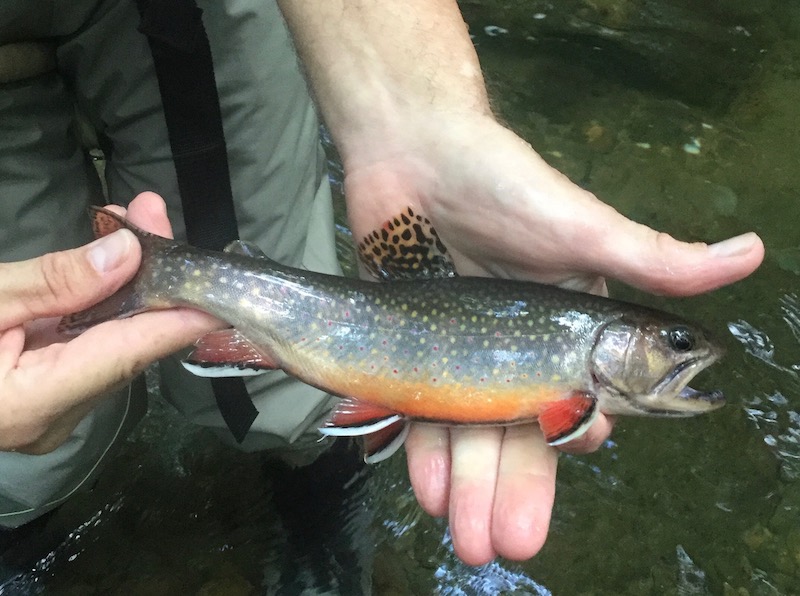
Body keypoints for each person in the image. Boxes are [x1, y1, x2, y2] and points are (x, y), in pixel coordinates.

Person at [0, 0, 763, 571]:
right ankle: (24, 524)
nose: (682, 355)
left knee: (275, 401)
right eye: (674, 342)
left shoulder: (575, 399)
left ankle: (312, 492)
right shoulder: (568, 399)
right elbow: (563, 420)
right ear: (619, 340)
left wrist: (416, 111)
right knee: (35, 428)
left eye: (677, 345)